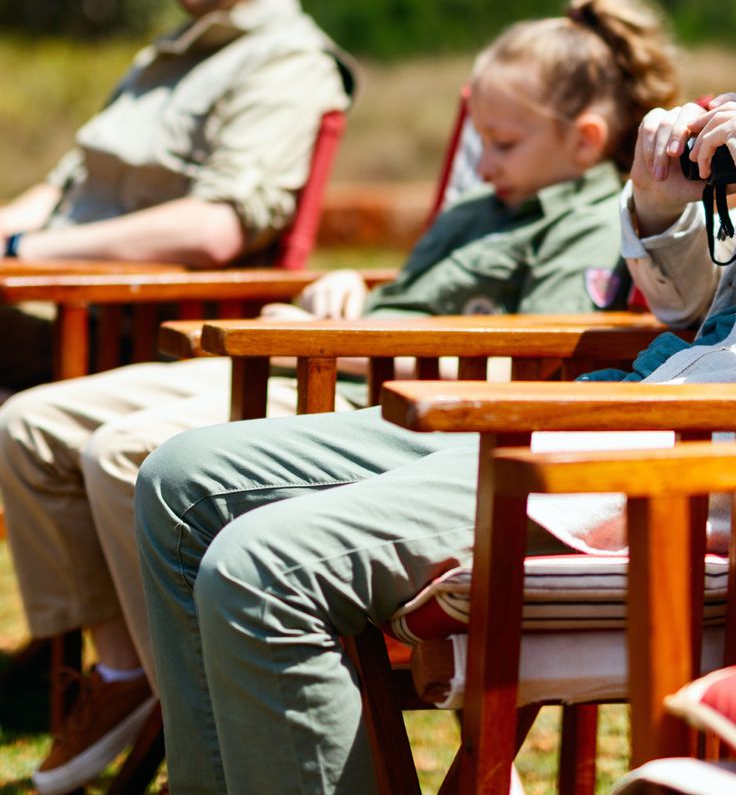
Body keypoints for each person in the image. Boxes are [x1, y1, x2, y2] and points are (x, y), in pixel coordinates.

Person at [0, 0, 675, 793]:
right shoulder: (480, 208)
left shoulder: (586, 220)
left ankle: (180, 703)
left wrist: (364, 348)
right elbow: (416, 297)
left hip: (385, 389)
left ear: (584, 140)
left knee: (135, 461)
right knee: (74, 438)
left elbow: (535, 355)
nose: (481, 161)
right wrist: (343, 299)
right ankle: (148, 691)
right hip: (342, 362)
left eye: (500, 142)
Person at [134, 89, 736, 795]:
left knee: (259, 570)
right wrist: (661, 208)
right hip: (609, 401)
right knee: (180, 481)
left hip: (673, 455)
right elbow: (696, 311)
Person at [0, 0, 355, 390]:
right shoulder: (166, 57)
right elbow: (63, 187)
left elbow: (215, 227)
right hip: (52, 301)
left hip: (123, 333)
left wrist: (27, 253)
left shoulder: (289, 62)